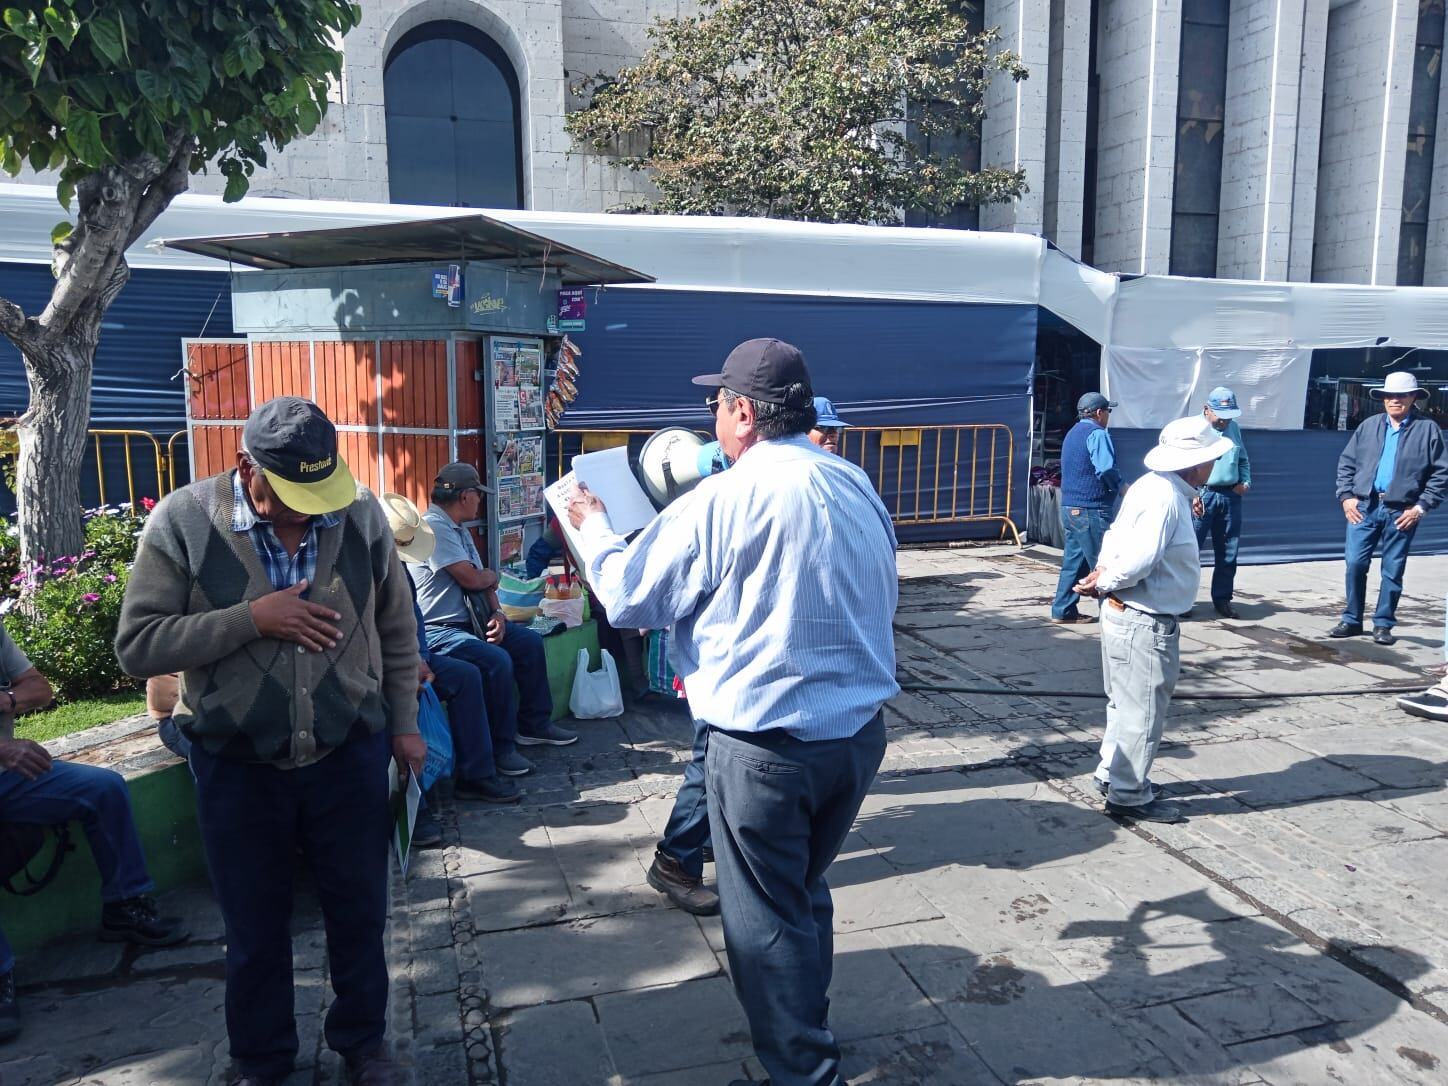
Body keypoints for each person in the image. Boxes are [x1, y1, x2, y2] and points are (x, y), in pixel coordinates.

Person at [565, 338, 898, 1086]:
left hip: (764, 749)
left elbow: (627, 595)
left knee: (765, 922)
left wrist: (590, 523)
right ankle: (809, 1024)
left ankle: (805, 1069)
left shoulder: (723, 498)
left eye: (717, 404)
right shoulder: (852, 483)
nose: (712, 416)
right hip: (853, 736)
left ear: (743, 413)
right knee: (801, 889)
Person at [115, 396, 419, 1086]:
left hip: (348, 753)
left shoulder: (361, 516)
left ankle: (364, 1042)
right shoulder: (185, 522)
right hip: (237, 764)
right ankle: (261, 1057)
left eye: (319, 494)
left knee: (359, 912)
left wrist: (403, 724)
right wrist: (252, 618)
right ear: (245, 468)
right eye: (292, 496)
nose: (309, 512)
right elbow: (137, 645)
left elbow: (397, 631)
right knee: (254, 928)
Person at [1, 632, 186, 1043]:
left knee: (103, 788)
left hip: (9, 775)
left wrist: (6, 701)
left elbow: (40, 689)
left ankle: (125, 906)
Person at [1074, 415, 1234, 825]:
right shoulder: (1165, 497)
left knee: (1124, 705)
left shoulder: (1152, 487)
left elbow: (1115, 536)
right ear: (1195, 463)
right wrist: (1106, 579)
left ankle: (1113, 773)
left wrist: (1102, 574)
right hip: (1143, 617)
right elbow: (1142, 560)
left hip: (1126, 612)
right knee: (1142, 711)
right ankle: (1128, 793)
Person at [410, 463, 576, 750]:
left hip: (474, 620)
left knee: (527, 643)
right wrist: (489, 577)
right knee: (496, 661)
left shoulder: (458, 528)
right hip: (442, 628)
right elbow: (474, 578)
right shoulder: (435, 527)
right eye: (478, 494)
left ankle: (534, 725)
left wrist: (498, 613)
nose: (480, 501)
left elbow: (484, 583)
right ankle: (501, 747)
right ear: (465, 496)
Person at [381, 493, 521, 831]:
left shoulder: (398, 566)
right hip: (377, 663)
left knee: (466, 677)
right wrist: (407, 662)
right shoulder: (360, 567)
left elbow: (410, 617)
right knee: (403, 698)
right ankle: (414, 806)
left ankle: (477, 773)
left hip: (412, 652)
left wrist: (420, 657)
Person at [1332, 371, 1448, 645]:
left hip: (1402, 511)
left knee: (1392, 570)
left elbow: (1441, 474)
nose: (1394, 400)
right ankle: (1352, 619)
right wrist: (1347, 497)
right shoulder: (1369, 426)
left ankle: (1383, 624)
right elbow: (1346, 463)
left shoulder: (1427, 429)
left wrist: (1421, 507)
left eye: (1401, 395)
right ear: (1382, 399)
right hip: (1364, 506)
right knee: (1355, 565)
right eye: (1389, 396)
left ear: (1413, 398)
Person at [1051, 392, 1122, 624]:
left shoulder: (1072, 433)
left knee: (1074, 562)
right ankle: (1112, 614)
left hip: (1070, 506)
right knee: (1103, 563)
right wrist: (1120, 487)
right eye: (1108, 411)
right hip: (1091, 508)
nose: (1108, 416)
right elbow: (1105, 468)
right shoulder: (1098, 434)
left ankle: (1063, 610)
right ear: (1099, 413)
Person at [1193, 386, 1252, 619]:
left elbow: (1244, 459)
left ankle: (1223, 598)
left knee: (1228, 551)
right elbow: (1180, 465)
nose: (1224, 422)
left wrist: (1245, 482)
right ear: (1207, 409)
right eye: (1220, 416)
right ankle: (1184, 600)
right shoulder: (1193, 429)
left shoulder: (1233, 428)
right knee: (1188, 551)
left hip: (1230, 496)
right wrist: (1191, 493)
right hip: (1202, 495)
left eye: (1229, 417)